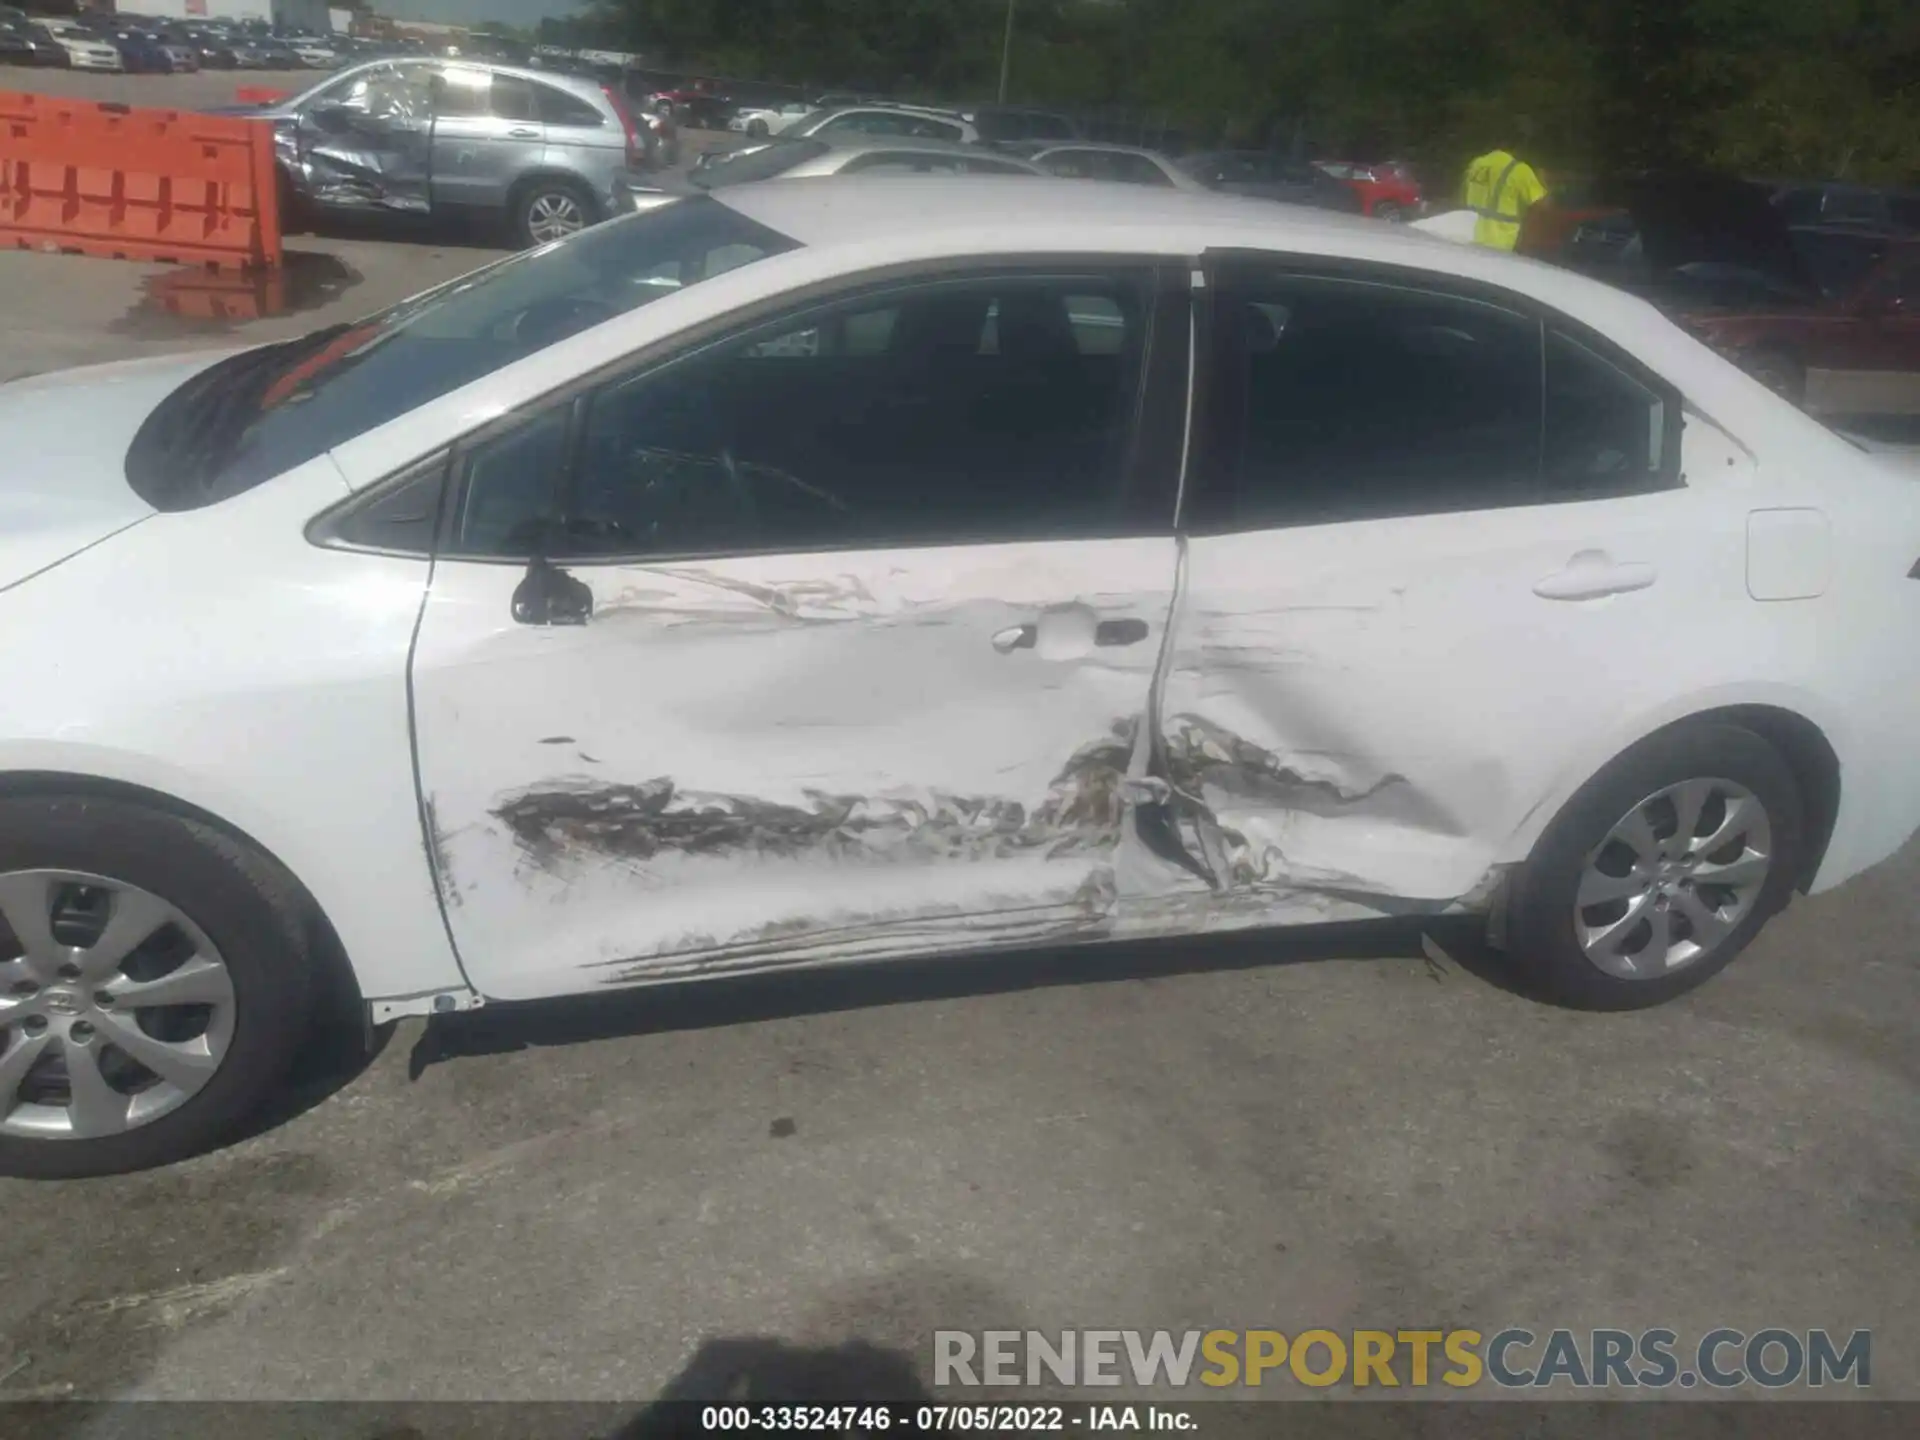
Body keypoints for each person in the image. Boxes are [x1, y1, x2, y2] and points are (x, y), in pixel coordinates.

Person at [1462, 143, 1548, 251]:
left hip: (1469, 239)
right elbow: (1543, 205)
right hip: (1500, 245)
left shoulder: (1476, 164)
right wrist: (1542, 180)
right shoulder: (1520, 170)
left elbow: (1462, 196)